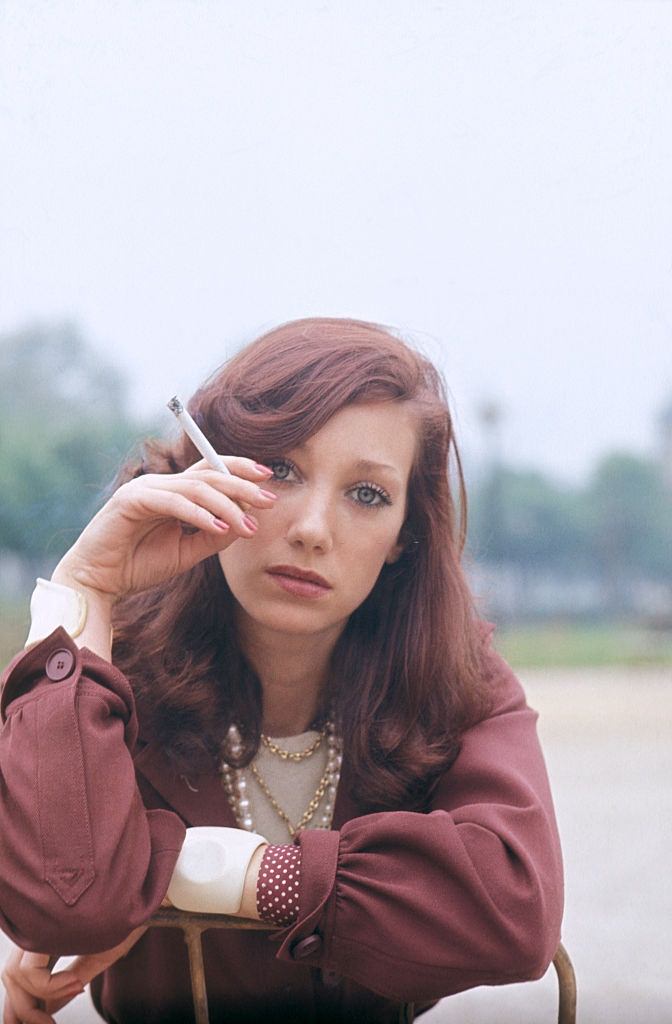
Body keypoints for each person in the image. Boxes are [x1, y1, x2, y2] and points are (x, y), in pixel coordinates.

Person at [0, 317, 563, 1023]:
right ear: (205, 478)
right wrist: (80, 591)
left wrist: (213, 872)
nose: (312, 528)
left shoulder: (453, 675)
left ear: (403, 539)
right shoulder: (105, 672)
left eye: (367, 495)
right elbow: (63, 905)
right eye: (282, 471)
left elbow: (516, 910)